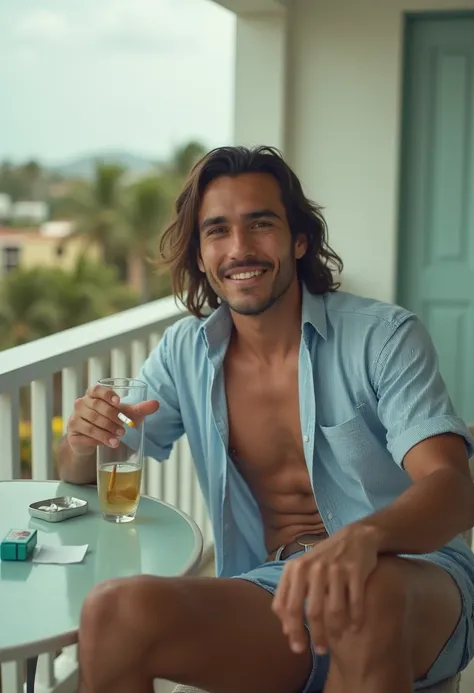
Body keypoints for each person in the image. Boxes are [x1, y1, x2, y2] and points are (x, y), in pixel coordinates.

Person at [58, 146, 474, 693]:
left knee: (364, 598)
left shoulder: (383, 338)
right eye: (217, 231)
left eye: (260, 224)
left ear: (299, 240)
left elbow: (453, 487)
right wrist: (83, 437)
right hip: (277, 591)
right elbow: (89, 469)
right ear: (201, 255)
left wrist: (365, 539)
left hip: (413, 577)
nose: (240, 249)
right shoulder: (186, 350)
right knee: (114, 613)